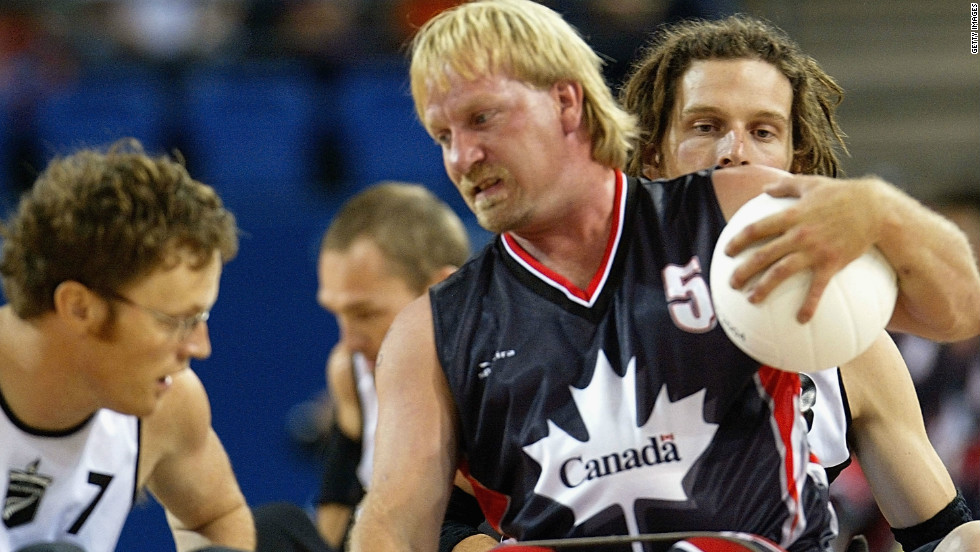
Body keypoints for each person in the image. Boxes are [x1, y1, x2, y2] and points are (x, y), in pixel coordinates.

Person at [347, 1, 980, 551]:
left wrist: (879, 208)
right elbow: (396, 526)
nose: (462, 156)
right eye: (443, 135)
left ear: (566, 102)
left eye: (482, 119)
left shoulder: (738, 217)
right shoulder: (432, 331)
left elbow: (957, 312)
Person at [618, 15, 980, 552]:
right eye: (705, 126)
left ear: (797, 160)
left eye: (763, 132)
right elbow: (461, 517)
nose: (733, 152)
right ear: (652, 153)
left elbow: (942, 536)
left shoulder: (849, 339)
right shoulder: (574, 302)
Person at [0, 139, 253, 552]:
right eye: (178, 321)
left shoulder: (171, 401)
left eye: (201, 320)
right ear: (79, 308)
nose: (199, 347)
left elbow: (216, 516)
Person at [252, 181, 480, 552]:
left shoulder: (493, 377)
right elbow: (335, 514)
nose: (350, 339)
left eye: (365, 312)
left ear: (443, 291)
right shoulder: (350, 370)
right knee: (272, 528)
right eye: (338, 313)